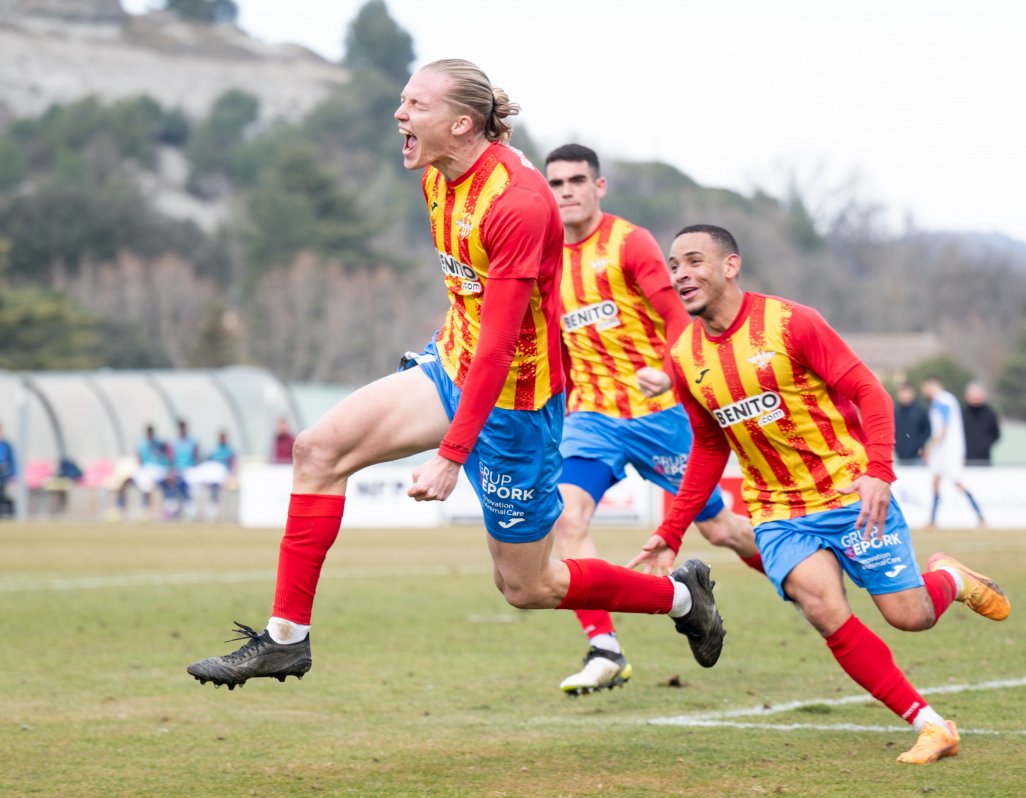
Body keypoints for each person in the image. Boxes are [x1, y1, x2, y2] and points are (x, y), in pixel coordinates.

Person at [187, 59, 724, 690]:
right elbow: (474, 319)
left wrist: (450, 454)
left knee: (528, 586)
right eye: (403, 101)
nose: (399, 114)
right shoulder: (438, 174)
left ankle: (683, 599)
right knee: (317, 449)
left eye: (416, 105)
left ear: (462, 124)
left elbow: (499, 349)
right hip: (452, 364)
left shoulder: (518, 205)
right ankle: (285, 640)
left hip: (514, 404)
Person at [630, 224, 1011, 765]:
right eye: (674, 265)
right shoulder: (685, 356)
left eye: (694, 261)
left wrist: (879, 469)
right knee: (822, 607)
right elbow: (709, 448)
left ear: (731, 265)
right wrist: (669, 532)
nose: (681, 275)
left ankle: (950, 578)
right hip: (778, 512)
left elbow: (868, 391)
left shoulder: (791, 323)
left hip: (849, 492)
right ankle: (930, 725)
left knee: (909, 615)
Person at [545, 144, 761, 695]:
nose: (565, 190)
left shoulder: (629, 242)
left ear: (599, 187)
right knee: (566, 521)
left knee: (721, 529)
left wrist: (669, 373)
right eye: (556, 183)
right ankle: (605, 648)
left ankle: (805, 574)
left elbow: (676, 317)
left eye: (576, 180)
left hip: (660, 415)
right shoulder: (545, 257)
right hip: (591, 416)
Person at [920, 376, 985, 528]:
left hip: (948, 449)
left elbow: (944, 426)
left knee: (957, 481)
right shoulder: (941, 401)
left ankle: (980, 515)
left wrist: (930, 447)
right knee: (935, 481)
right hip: (943, 449)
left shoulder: (943, 400)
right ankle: (932, 520)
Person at [188, 430, 236, 521]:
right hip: (211, 469)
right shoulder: (214, 449)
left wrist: (232, 476)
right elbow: (207, 461)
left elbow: (233, 464)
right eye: (220, 437)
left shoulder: (230, 451)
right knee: (192, 478)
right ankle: (191, 506)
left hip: (221, 471)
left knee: (215, 485)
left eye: (223, 437)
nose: (221, 439)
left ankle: (212, 508)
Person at [167, 418, 200, 519]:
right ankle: (172, 506)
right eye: (180, 427)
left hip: (190, 470)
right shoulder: (174, 443)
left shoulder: (192, 442)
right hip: (177, 470)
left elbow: (196, 457)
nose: (182, 429)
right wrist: (172, 471)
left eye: (183, 426)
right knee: (168, 481)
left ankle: (187, 507)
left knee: (182, 482)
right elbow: (171, 458)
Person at [962, 381, 1001, 465]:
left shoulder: (990, 414)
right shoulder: (961, 414)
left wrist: (984, 445)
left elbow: (995, 435)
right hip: (964, 459)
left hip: (984, 458)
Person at [893, 383, 931, 465]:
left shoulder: (920, 411)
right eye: (902, 393)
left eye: (907, 393)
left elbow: (927, 431)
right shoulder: (894, 412)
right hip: (898, 457)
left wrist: (921, 446)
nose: (904, 396)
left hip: (917, 457)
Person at [0, 423, 16, 519]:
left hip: (4, 476)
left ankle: (9, 513)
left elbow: (12, 461)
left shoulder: (7, 445)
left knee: (3, 495)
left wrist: (12, 474)